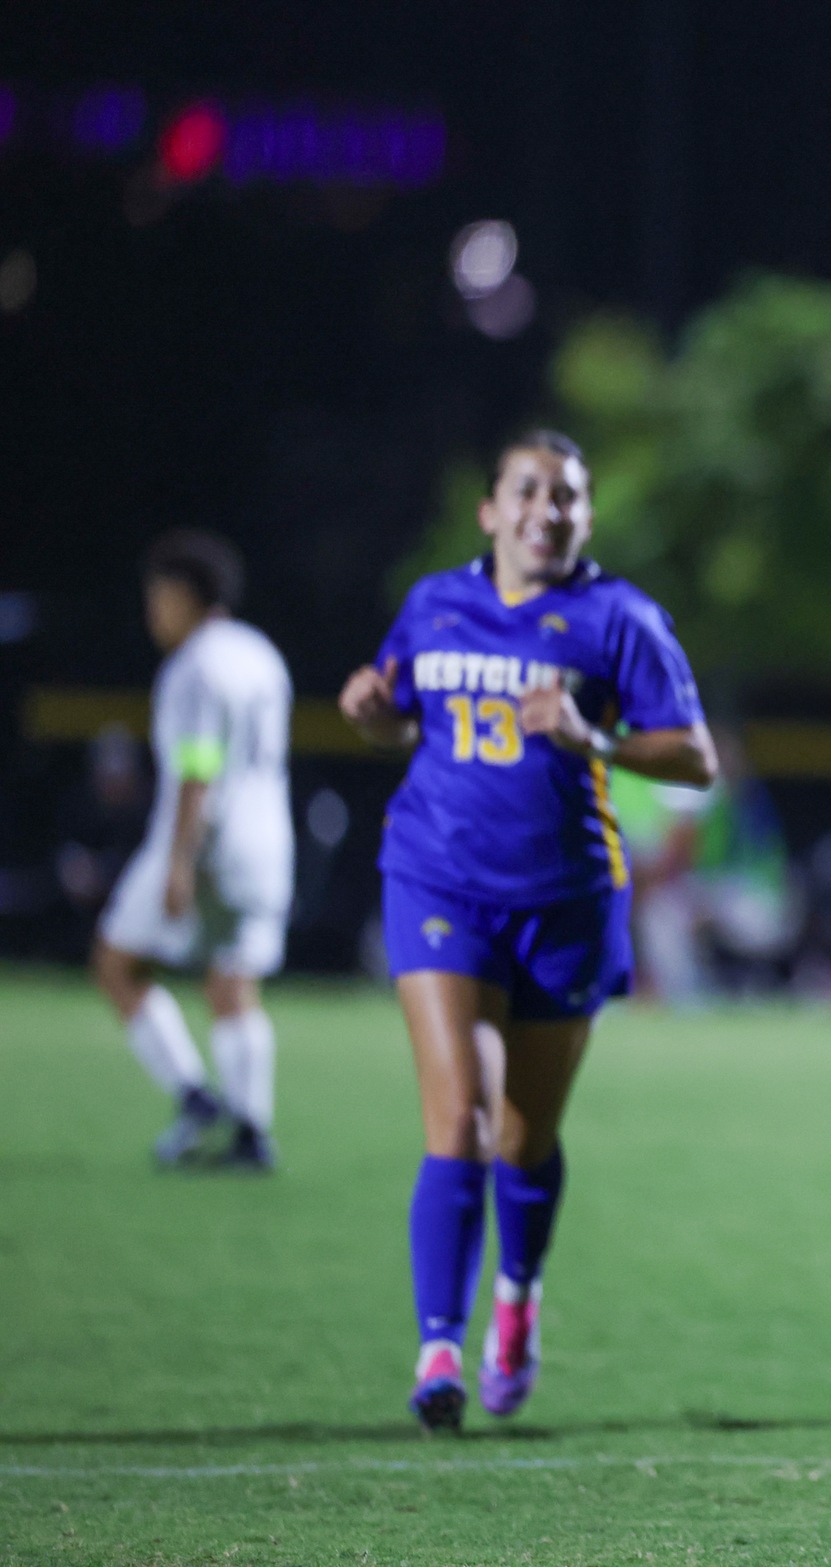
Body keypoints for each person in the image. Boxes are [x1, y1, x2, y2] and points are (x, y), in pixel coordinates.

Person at [339, 430, 715, 1433]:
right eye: (529, 491)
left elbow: (697, 758)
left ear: (586, 517)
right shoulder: (434, 603)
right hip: (438, 880)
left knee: (524, 1136)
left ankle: (517, 1293)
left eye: (567, 496)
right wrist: (371, 710)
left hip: (567, 900)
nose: (547, 509)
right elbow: (397, 715)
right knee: (457, 1115)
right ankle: (436, 1348)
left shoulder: (618, 618)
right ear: (490, 509)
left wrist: (591, 735)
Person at [92, 530, 293, 1172]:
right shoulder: (260, 653)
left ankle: (193, 1095)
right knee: (235, 983)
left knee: (117, 963)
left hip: (206, 840)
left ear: (184, 596)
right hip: (268, 840)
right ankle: (252, 1133)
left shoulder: (195, 666)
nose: (153, 612)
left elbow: (198, 767)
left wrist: (178, 861)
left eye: (158, 598)